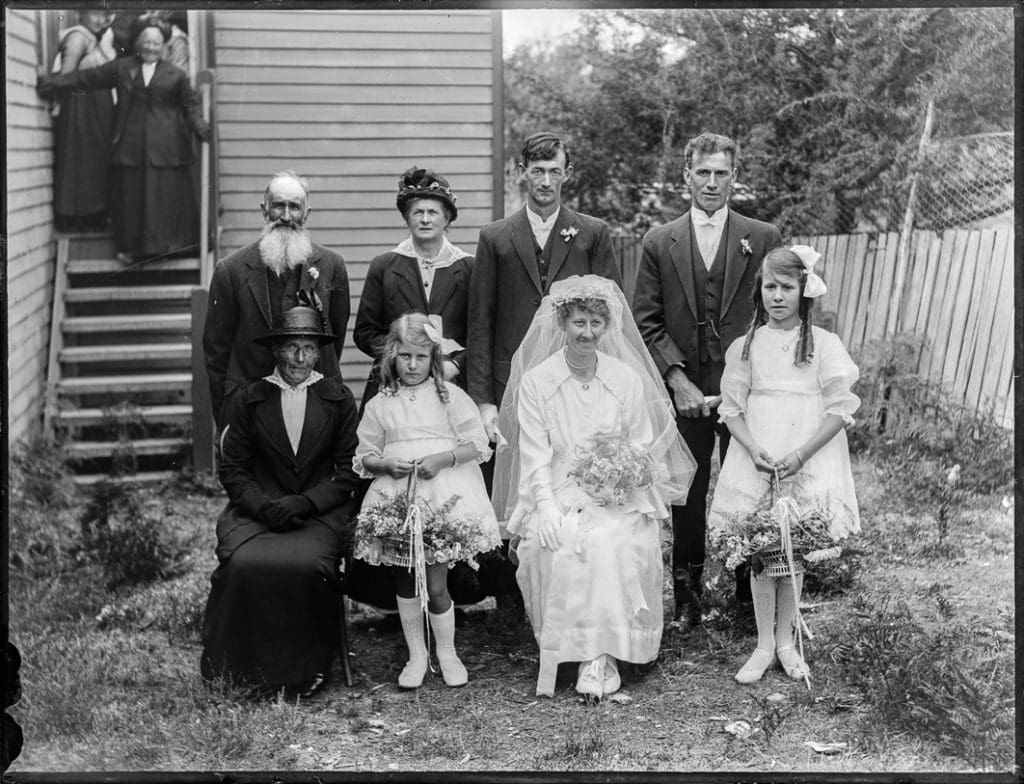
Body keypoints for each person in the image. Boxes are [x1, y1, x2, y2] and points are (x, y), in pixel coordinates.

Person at [495, 275, 696, 699]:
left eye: (596, 324)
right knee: (558, 540)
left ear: (608, 327)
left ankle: (603, 656)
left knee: (612, 539)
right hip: (557, 487)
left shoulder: (626, 379)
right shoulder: (538, 382)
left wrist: (622, 483)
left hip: (619, 492)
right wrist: (545, 506)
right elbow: (534, 455)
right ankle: (572, 647)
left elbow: (641, 444)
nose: (587, 333)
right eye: (579, 323)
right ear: (562, 323)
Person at [633, 132, 782, 627]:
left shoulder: (762, 237)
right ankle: (688, 599)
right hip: (686, 392)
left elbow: (775, 313)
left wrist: (745, 380)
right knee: (688, 489)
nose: (712, 182)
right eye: (703, 172)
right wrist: (677, 379)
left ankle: (747, 595)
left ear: (735, 177)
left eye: (722, 173)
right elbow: (646, 320)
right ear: (686, 176)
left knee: (746, 486)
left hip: (746, 391)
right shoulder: (659, 241)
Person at [467, 131, 621, 611]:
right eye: (537, 171)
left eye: (555, 171)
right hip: (511, 381)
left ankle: (572, 589)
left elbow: (608, 314)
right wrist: (485, 401)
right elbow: (480, 321)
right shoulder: (495, 237)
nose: (546, 181)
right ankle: (515, 595)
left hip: (573, 375)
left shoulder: (591, 232)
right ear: (522, 174)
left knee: (566, 473)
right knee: (515, 481)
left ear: (567, 175)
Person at [707, 246, 861, 683]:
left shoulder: (824, 344)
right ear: (760, 291)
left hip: (803, 454)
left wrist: (802, 454)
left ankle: (787, 642)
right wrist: (752, 447)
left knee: (793, 551)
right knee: (762, 547)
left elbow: (839, 409)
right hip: (759, 454)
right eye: (770, 287)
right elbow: (732, 409)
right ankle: (761, 645)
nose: (777, 296)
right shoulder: (746, 345)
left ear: (803, 292)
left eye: (787, 287)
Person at [199, 306, 362, 697]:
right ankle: (238, 668)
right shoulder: (250, 398)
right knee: (242, 563)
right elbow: (233, 468)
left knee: (306, 566)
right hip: (257, 513)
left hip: (317, 514)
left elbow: (348, 471)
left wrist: (304, 504)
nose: (299, 359)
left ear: (319, 353)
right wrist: (264, 506)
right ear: (276, 350)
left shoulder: (337, 399)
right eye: (291, 347)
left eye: (308, 348)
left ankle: (305, 669)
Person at [348, 167, 482, 616]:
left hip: (449, 392)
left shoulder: (466, 268)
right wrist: (401, 354)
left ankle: (455, 596)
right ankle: (394, 599)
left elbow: (478, 331)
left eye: (434, 211)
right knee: (393, 488)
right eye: (417, 211)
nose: (425, 219)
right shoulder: (386, 266)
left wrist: (450, 364)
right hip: (395, 388)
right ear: (407, 217)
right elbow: (364, 330)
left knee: (449, 492)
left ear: (448, 218)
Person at [352, 313, 500, 689]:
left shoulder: (449, 397)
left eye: (420, 356)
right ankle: (416, 654)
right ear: (392, 358)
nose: (412, 365)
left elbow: (477, 444)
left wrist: (442, 458)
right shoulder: (382, 403)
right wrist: (385, 462)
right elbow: (364, 454)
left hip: (442, 499)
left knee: (436, 584)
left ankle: (446, 652)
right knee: (405, 581)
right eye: (404, 356)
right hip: (397, 501)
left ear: (433, 358)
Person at [37, 18, 210, 263]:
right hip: (131, 144)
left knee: (162, 198)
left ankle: (165, 248)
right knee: (132, 198)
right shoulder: (122, 67)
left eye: (156, 43)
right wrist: (53, 83)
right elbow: (87, 78)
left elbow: (190, 105)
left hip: (165, 145)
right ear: (139, 43)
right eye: (147, 42)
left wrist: (201, 126)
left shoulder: (176, 75)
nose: (151, 47)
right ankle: (132, 250)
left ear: (163, 46)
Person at [203, 170, 350, 431]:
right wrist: (226, 417)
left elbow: (333, 338)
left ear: (306, 213)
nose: (285, 216)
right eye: (278, 206)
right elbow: (216, 353)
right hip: (249, 410)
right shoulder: (231, 270)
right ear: (264, 210)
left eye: (294, 207)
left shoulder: (332, 265)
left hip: (316, 407)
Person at [50, 9, 115, 233]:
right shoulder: (78, 37)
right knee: (80, 158)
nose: (100, 20)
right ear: (81, 14)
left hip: (98, 105)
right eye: (94, 14)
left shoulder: (99, 39)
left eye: (103, 15)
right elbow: (65, 76)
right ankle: (74, 215)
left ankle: (93, 214)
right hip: (81, 106)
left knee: (96, 159)